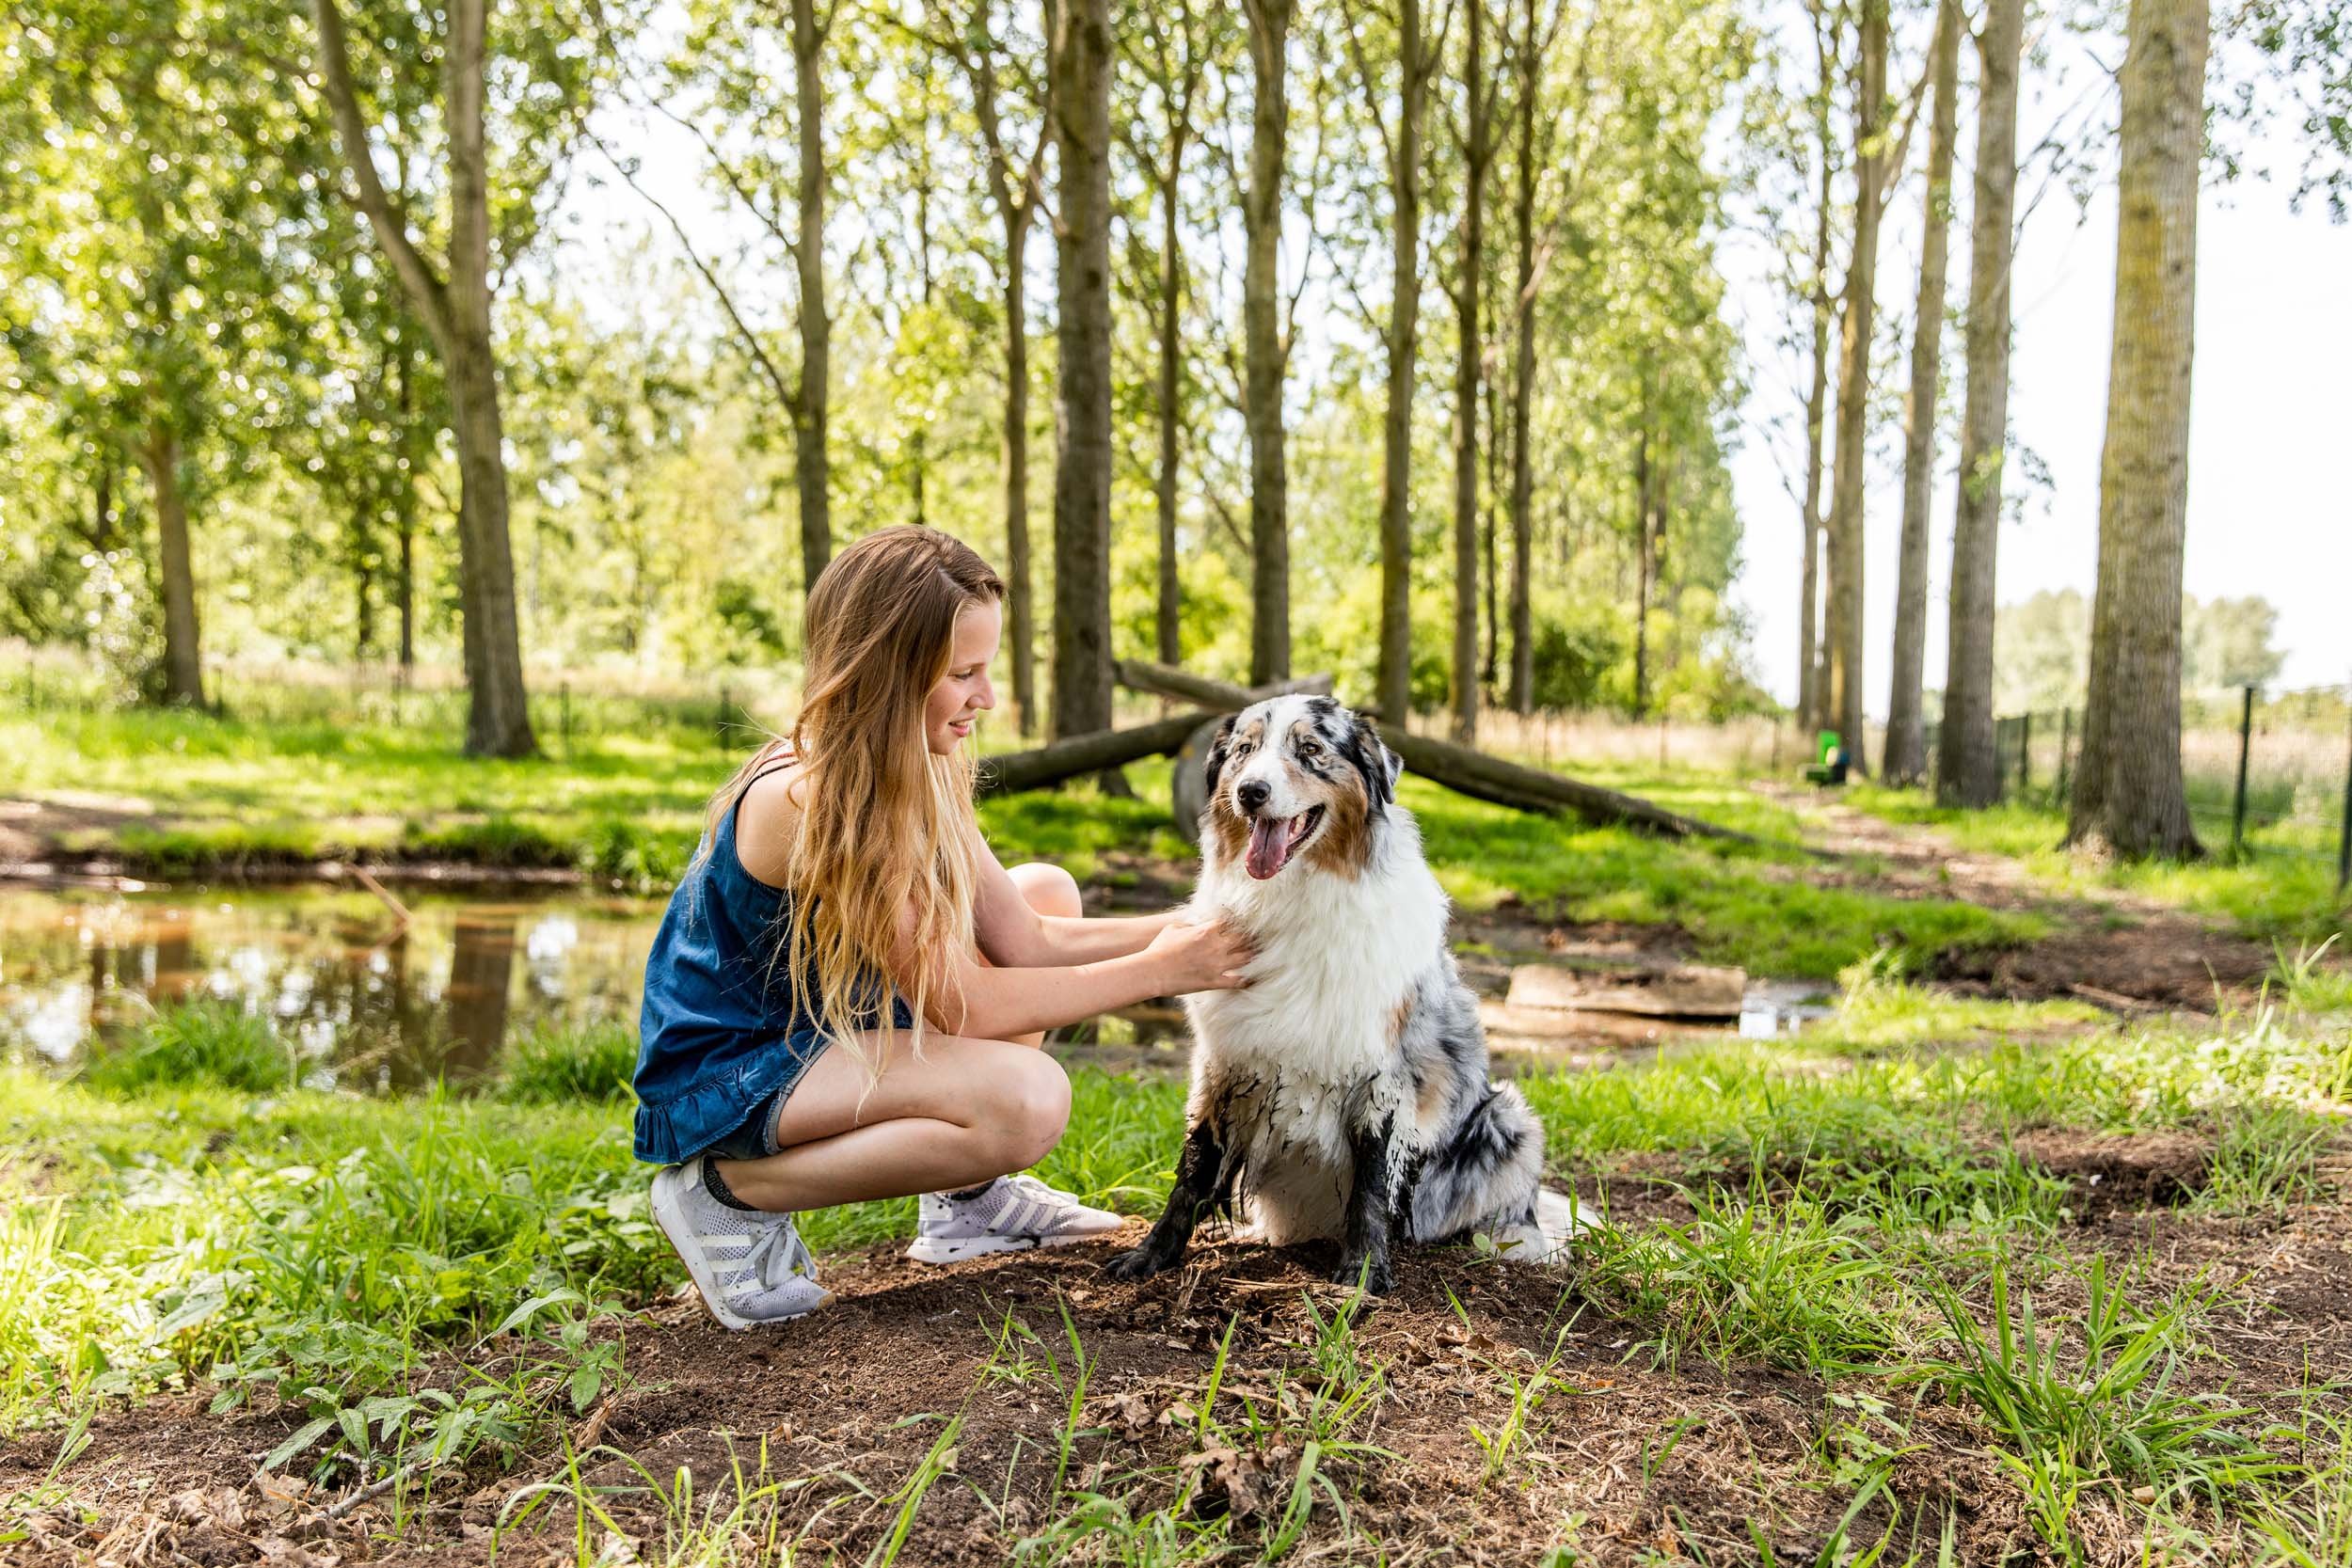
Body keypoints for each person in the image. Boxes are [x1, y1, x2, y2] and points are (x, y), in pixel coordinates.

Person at [633, 526, 1252, 1329]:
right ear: (889, 672)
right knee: (1025, 1102)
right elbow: (966, 1007)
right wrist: (1167, 968)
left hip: (834, 1030)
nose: (986, 698)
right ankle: (723, 1194)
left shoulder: (923, 762)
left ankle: (967, 1205)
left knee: (1049, 889)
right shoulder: (817, 798)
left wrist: (1212, 923)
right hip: (737, 1068)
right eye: (963, 673)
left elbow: (1025, 938)